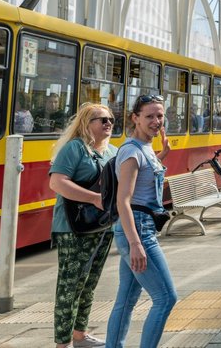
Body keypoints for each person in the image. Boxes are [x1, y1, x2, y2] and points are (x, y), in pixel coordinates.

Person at [106, 95, 176, 348]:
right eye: (149, 116)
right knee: (166, 298)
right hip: (138, 231)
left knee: (126, 299)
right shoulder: (132, 151)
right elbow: (123, 201)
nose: (156, 121)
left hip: (137, 228)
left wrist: (162, 155)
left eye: (160, 116)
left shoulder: (144, 148)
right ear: (135, 118)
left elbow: (144, 181)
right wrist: (136, 244)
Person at [48, 103, 118, 348]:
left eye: (110, 119)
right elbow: (57, 183)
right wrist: (94, 198)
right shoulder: (75, 148)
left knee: (89, 284)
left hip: (102, 226)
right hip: (73, 227)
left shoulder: (112, 152)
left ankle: (80, 334)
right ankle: (62, 343)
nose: (108, 123)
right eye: (101, 119)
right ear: (86, 124)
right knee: (70, 286)